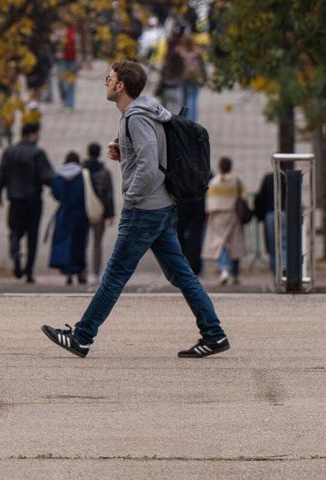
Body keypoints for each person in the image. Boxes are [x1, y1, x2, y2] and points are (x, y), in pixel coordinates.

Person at [41, 59, 229, 359]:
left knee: (115, 275)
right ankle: (214, 334)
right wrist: (124, 155)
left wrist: (130, 195)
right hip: (162, 206)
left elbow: (150, 166)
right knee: (181, 274)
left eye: (109, 78)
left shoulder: (136, 118)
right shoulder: (146, 112)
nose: (106, 82)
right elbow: (148, 156)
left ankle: (81, 337)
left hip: (144, 210)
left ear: (121, 86)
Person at [0, 122, 54, 283]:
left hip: (15, 199)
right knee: (32, 235)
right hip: (33, 201)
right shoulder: (38, 153)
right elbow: (47, 176)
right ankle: (28, 272)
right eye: (37, 134)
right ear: (31, 134)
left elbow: (1, 174)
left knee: (14, 231)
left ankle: (15, 255)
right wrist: (57, 190)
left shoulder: (9, 152)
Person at [203, 157, 247, 285]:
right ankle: (236, 274)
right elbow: (243, 197)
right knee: (235, 244)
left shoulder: (214, 182)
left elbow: (209, 203)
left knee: (221, 244)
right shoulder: (237, 180)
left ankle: (224, 270)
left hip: (217, 216)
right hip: (234, 215)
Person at [48, 151, 89, 284]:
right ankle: (80, 270)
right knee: (80, 243)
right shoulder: (82, 175)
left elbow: (55, 193)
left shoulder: (58, 176)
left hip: (64, 214)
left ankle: (68, 271)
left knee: (66, 242)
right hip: (80, 214)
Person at [81, 142, 116, 277]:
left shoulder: (82, 171)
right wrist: (110, 214)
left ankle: (82, 270)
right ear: (99, 153)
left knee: (82, 241)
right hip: (100, 212)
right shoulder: (105, 172)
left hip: (84, 211)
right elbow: (109, 195)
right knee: (97, 243)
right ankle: (96, 272)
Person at [177, 34, 207, 123]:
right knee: (193, 99)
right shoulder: (198, 53)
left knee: (184, 100)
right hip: (195, 78)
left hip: (183, 78)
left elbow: (178, 68)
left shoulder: (181, 54)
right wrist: (205, 78)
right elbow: (202, 67)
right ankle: (192, 120)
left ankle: (183, 119)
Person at [57, 25, 79, 109]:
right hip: (62, 59)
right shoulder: (58, 28)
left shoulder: (77, 29)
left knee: (71, 81)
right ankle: (64, 99)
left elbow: (82, 43)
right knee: (61, 81)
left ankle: (70, 103)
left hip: (73, 59)